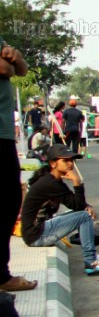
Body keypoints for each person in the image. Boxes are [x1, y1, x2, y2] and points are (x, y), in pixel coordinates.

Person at [20, 145, 99, 275]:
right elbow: (77, 205)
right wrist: (77, 182)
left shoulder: (52, 179)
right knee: (85, 216)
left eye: (72, 160)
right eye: (65, 161)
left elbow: (75, 204)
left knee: (82, 213)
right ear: (53, 163)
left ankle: (92, 257)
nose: (70, 164)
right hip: (37, 235)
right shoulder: (50, 183)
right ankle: (91, 262)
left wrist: (86, 205)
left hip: (36, 232)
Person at [0, 36, 37, 292]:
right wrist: (10, 62)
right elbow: (5, 69)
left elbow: (20, 69)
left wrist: (16, 57)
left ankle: (2, 274)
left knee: (9, 201)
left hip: (3, 134)